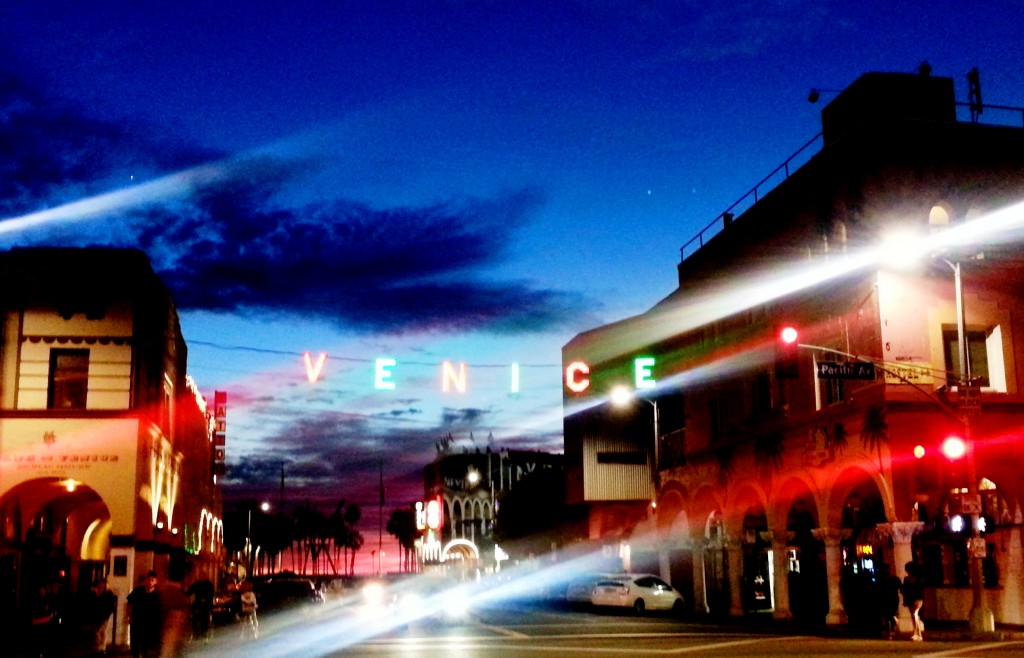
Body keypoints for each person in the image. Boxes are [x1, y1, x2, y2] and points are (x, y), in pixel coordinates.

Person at [127, 571, 162, 658]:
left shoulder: (158, 595)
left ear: (156, 581)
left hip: (150, 625)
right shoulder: (138, 591)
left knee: (147, 647)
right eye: (148, 579)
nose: (150, 582)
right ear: (145, 580)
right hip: (137, 622)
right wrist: (129, 616)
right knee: (135, 645)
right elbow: (129, 603)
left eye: (152, 580)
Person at [91, 580, 118, 654]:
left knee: (100, 631)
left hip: (105, 615)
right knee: (100, 631)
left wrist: (108, 612)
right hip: (98, 615)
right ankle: (100, 648)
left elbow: (111, 605)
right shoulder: (98, 593)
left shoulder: (109, 594)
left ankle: (101, 648)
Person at [901, 560, 925, 641]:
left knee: (915, 614)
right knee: (914, 616)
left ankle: (918, 633)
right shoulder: (906, 579)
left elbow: (921, 589)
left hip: (917, 599)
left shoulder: (918, 579)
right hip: (910, 599)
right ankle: (916, 632)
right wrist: (905, 600)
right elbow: (904, 590)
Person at [185, 576, 215, 642]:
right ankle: (197, 631)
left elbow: (211, 593)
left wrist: (206, 599)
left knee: (203, 616)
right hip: (199, 603)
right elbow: (190, 591)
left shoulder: (208, 584)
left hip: (205, 603)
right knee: (195, 616)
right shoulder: (199, 584)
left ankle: (201, 631)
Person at [877, 563, 902, 639]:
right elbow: (901, 588)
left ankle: (890, 632)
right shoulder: (894, 579)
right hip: (892, 599)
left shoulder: (881, 580)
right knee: (890, 615)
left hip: (887, 599)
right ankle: (892, 630)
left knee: (888, 616)